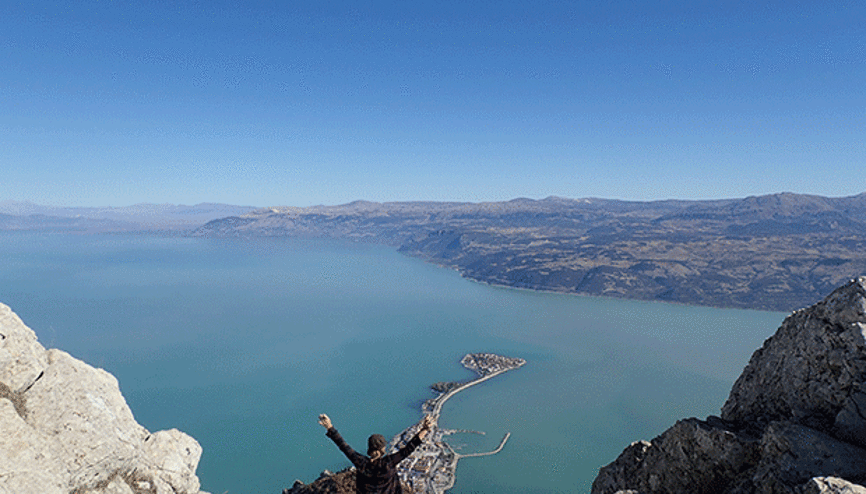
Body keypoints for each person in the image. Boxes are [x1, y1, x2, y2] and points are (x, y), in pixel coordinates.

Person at [317, 413, 433, 494]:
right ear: (379, 450)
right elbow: (409, 448)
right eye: (383, 447)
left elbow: (343, 445)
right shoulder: (389, 463)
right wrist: (425, 429)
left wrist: (329, 427)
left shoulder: (360, 463)